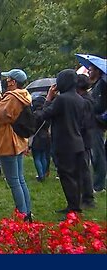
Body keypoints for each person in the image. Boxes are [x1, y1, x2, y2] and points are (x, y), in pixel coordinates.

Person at [35, 69, 88, 215]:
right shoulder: (79, 99)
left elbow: (44, 115)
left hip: (64, 143)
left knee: (66, 177)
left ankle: (73, 209)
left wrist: (48, 98)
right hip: (77, 142)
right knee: (75, 177)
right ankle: (74, 205)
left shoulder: (62, 99)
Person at [0, 68, 32, 220]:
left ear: (14, 82)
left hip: (8, 142)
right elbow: (5, 109)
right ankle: (27, 212)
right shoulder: (22, 95)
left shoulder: (12, 98)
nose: (6, 81)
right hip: (18, 141)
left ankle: (22, 214)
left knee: (13, 181)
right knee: (20, 179)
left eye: (9, 79)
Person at [76, 74, 96, 209]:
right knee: (82, 168)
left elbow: (84, 121)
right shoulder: (85, 99)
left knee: (84, 169)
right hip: (84, 137)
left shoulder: (86, 101)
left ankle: (88, 199)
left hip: (84, 138)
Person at [89, 64, 107, 193]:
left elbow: (99, 106)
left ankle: (99, 185)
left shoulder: (101, 85)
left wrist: (89, 105)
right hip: (95, 122)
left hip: (97, 122)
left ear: (97, 71)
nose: (89, 72)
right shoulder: (97, 84)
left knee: (98, 154)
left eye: (91, 70)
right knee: (97, 153)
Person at [30, 96, 51, 182]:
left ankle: (40, 175)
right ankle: (44, 173)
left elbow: (32, 127)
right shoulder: (47, 113)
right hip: (46, 136)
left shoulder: (34, 114)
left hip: (37, 137)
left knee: (37, 157)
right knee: (43, 156)